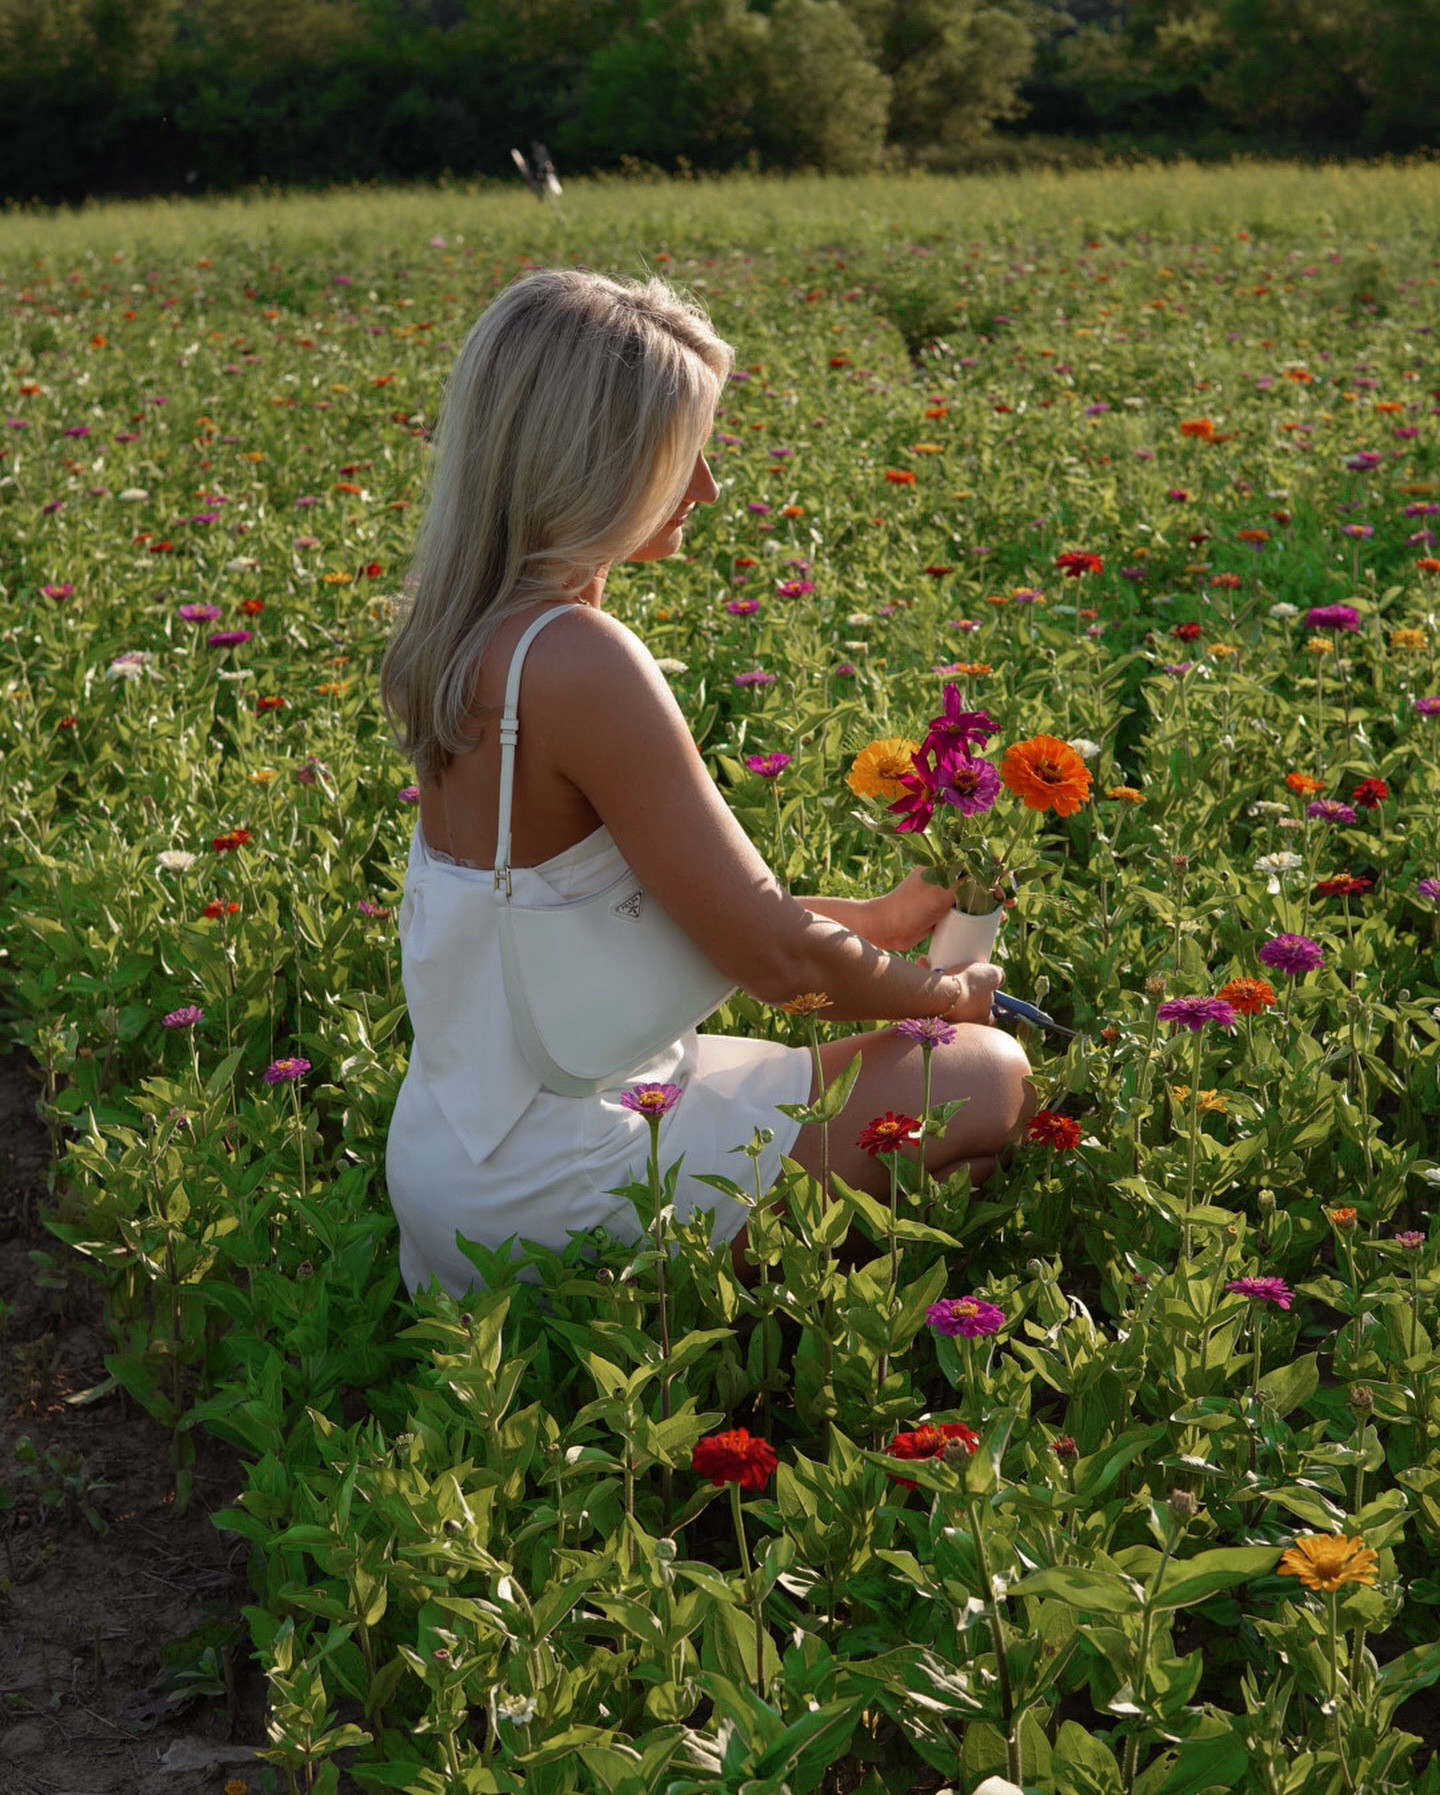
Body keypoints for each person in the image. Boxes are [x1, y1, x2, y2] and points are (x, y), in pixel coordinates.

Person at [381, 268, 1033, 1298]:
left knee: (838, 1068)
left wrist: (876, 920)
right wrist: (948, 999)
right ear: (596, 464)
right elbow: (773, 957)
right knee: (983, 1076)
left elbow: (603, 918)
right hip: (568, 1181)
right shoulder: (579, 657)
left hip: (454, 1160)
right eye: (685, 456)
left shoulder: (460, 640)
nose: (710, 490)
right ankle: (772, 1348)